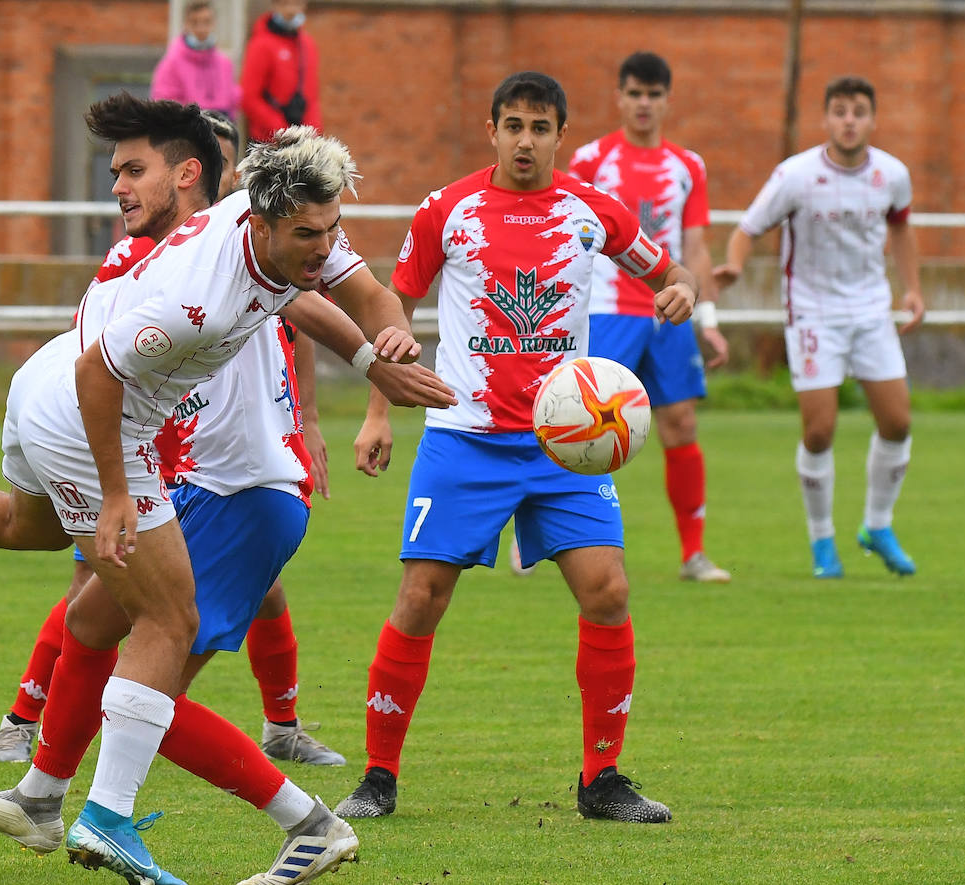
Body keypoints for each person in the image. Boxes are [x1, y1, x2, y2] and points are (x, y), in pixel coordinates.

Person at [0, 97, 454, 885]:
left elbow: (348, 291)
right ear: (264, 220)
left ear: (199, 176)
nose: (322, 247)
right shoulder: (194, 294)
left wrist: (381, 348)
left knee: (78, 603)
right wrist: (114, 495)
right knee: (162, 638)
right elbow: (100, 375)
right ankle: (266, 822)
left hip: (73, 406)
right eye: (307, 236)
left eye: (133, 170)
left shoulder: (274, 218)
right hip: (100, 417)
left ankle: (31, 787)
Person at [337, 72, 696, 824]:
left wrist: (682, 290)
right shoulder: (448, 209)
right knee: (419, 599)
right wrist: (379, 412)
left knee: (610, 590)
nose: (525, 140)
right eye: (513, 126)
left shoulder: (592, 211)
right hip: (464, 439)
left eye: (540, 127)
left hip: (563, 447)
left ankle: (603, 781)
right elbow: (392, 309)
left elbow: (668, 269)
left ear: (561, 134)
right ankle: (377, 776)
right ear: (492, 129)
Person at [0, 112, 345, 771]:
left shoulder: (264, 247)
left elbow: (310, 314)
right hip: (171, 458)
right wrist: (114, 479)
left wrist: (321, 410)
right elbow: (93, 368)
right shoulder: (154, 265)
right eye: (121, 172)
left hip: (241, 477)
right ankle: (28, 736)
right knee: (102, 612)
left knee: (147, 659)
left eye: (133, 170)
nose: (232, 189)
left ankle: (284, 765)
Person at [714, 75, 922, 579]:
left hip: (871, 309)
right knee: (820, 429)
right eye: (840, 111)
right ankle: (822, 541)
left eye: (858, 111)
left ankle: (877, 525)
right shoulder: (796, 175)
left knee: (897, 422)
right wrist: (735, 266)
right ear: (826, 118)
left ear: (873, 119)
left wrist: (912, 288)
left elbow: (901, 229)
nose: (849, 121)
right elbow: (747, 228)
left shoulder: (892, 174)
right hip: (813, 312)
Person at [563, 51, 731, 584]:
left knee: (680, 425)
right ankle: (541, 538)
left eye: (653, 95)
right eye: (634, 93)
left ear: (667, 101)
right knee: (580, 426)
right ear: (619, 96)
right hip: (611, 310)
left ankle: (694, 554)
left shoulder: (689, 166)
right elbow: (569, 237)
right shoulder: (591, 160)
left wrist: (707, 318)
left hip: (670, 315)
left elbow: (697, 248)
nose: (643, 104)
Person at [240, 0, 320, 143]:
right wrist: (281, 129)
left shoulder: (308, 45)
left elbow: (312, 96)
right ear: (275, 4)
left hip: (301, 140)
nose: (291, 10)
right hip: (268, 140)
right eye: (286, 3)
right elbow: (249, 97)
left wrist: (312, 132)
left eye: (296, 4)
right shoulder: (261, 44)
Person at [150, 0, 241, 119]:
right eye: (194, 22)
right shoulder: (171, 64)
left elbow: (233, 103)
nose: (201, 29)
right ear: (185, 25)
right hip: (188, 132)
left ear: (214, 23)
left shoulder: (225, 64)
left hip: (221, 131)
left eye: (206, 22)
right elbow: (163, 104)